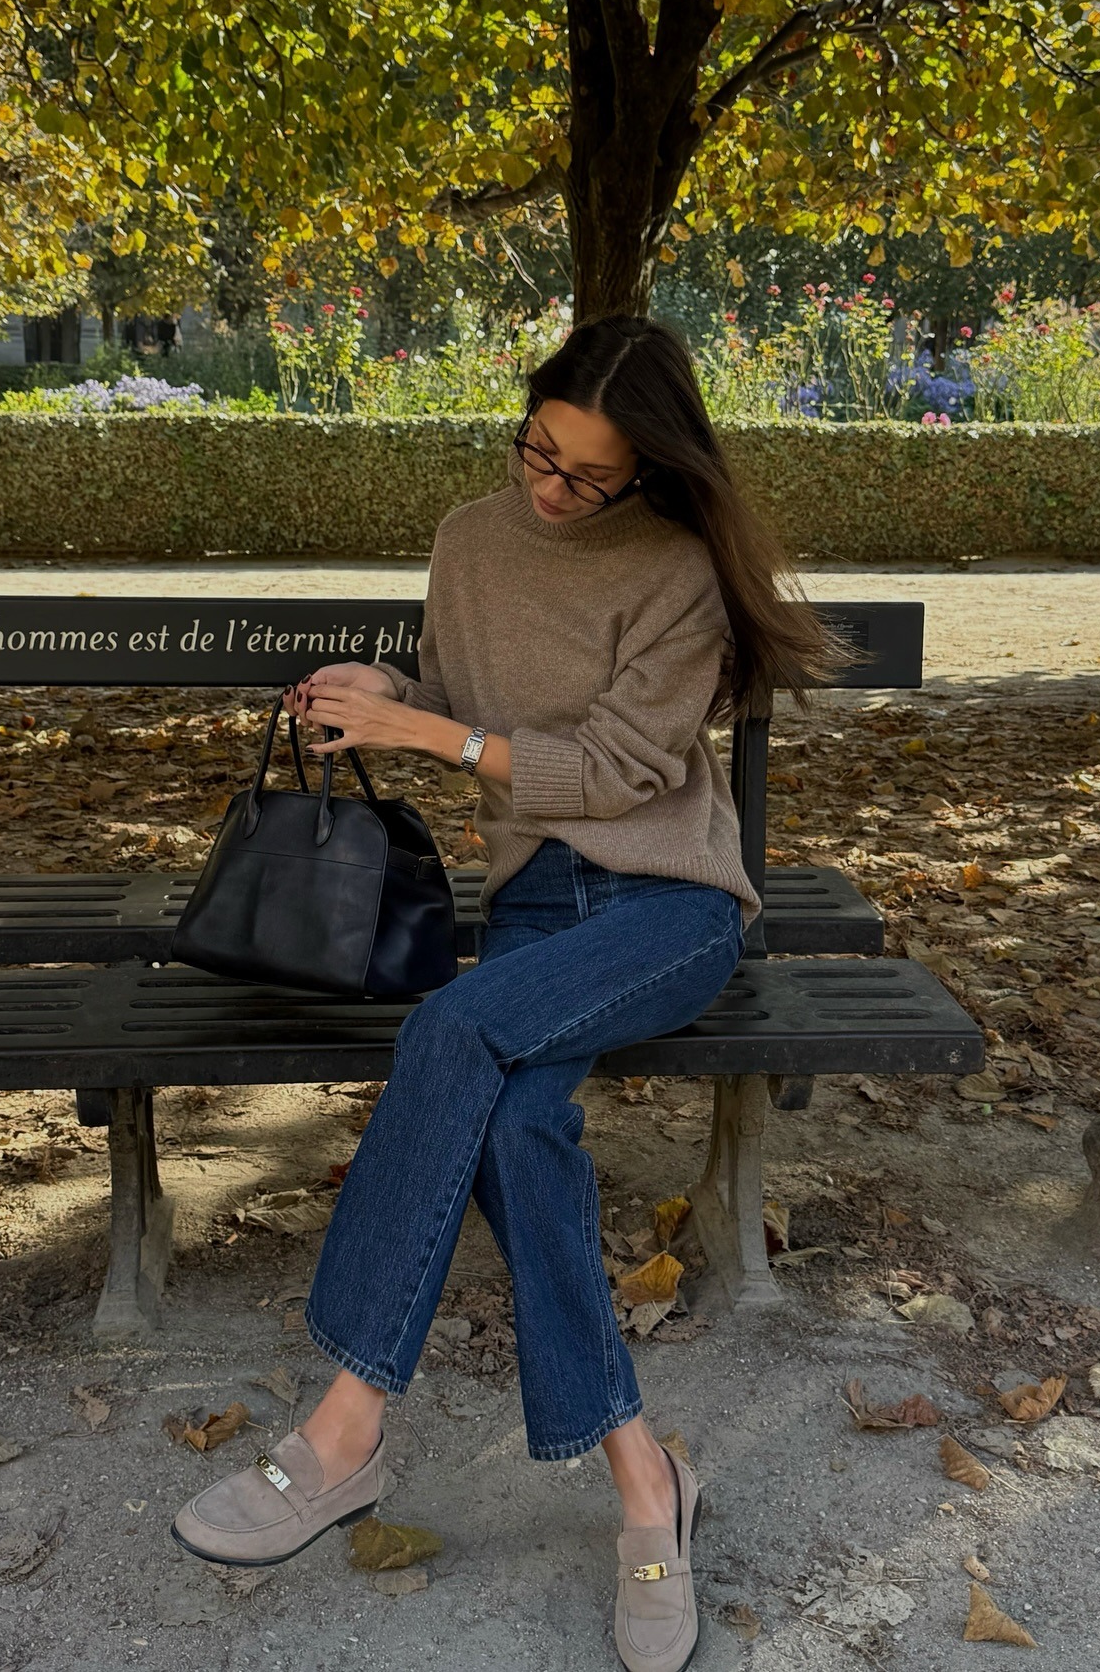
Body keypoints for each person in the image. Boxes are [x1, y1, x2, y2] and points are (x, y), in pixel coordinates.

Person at [172, 314, 835, 1671]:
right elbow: (470, 703)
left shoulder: (681, 572)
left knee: (452, 1025)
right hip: (536, 902)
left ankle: (343, 1429)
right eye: (539, 451)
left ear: (649, 469)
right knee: (518, 1122)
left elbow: (617, 773)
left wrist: (424, 727)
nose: (551, 487)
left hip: (669, 904)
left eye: (589, 475)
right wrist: (387, 691)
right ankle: (646, 1481)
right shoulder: (469, 539)